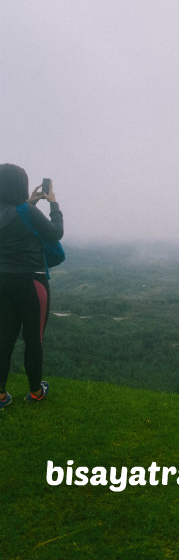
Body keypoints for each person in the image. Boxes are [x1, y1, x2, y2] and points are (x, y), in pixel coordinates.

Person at [0, 164, 64, 410]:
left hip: (3, 281)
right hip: (32, 282)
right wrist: (53, 204)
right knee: (33, 339)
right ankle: (36, 392)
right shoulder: (26, 210)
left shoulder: (20, 209)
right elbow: (55, 233)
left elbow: (11, 225)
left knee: (4, 339)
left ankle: (1, 395)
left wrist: (30, 203)